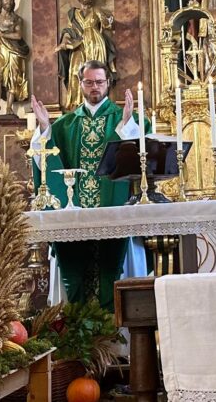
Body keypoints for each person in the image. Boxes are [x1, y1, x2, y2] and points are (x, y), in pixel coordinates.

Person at [30, 60, 148, 311]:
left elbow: (144, 156)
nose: (95, 87)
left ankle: (119, 341)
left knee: (113, 267)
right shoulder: (65, 125)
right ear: (80, 84)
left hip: (114, 212)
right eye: (89, 82)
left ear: (108, 83)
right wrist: (43, 128)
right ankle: (77, 335)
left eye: (99, 82)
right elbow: (44, 156)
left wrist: (127, 126)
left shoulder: (123, 119)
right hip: (75, 216)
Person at [56, 0, 117, 112]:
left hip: (95, 43)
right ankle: (77, 102)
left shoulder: (96, 11)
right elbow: (69, 29)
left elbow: (107, 25)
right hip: (78, 43)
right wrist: (65, 42)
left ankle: (98, 102)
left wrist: (108, 20)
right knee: (75, 70)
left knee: (96, 72)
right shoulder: (73, 13)